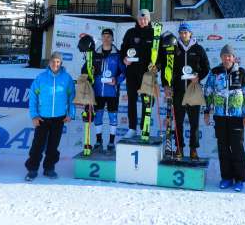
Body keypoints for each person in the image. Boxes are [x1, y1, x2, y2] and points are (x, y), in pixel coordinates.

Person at [204, 44, 245, 192]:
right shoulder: (215, 72)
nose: (227, 58)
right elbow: (208, 92)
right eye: (224, 56)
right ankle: (226, 177)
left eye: (229, 56)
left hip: (236, 117)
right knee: (223, 148)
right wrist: (207, 111)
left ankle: (239, 179)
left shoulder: (241, 73)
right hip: (220, 116)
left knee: (237, 148)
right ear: (221, 57)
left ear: (234, 58)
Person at [161, 23, 209, 160]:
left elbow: (206, 67)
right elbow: (166, 68)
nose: (183, 35)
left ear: (190, 34)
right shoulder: (174, 48)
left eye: (186, 32)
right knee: (179, 122)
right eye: (181, 32)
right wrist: (166, 85)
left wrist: (198, 77)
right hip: (178, 90)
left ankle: (193, 150)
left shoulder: (198, 49)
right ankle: (179, 148)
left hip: (193, 89)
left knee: (194, 122)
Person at [25, 52, 76, 181]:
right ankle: (32, 169)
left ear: (61, 63)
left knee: (53, 146)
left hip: (59, 118)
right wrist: (34, 115)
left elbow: (72, 98)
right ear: (49, 62)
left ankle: (49, 168)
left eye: (58, 61)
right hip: (42, 118)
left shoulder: (67, 78)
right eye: (53, 61)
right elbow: (33, 98)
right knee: (38, 145)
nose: (55, 64)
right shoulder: (41, 78)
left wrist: (71, 114)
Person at [82, 28, 126, 152]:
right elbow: (85, 69)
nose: (106, 38)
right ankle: (98, 140)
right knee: (98, 116)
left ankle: (111, 142)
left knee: (113, 116)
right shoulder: (94, 54)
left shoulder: (118, 54)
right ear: (101, 38)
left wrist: (116, 80)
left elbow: (124, 72)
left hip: (112, 91)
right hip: (97, 91)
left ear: (112, 38)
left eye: (108, 36)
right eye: (104, 36)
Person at [120, 9, 157, 138]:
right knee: (131, 100)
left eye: (145, 19)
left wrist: (157, 66)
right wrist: (124, 59)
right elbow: (122, 50)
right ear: (137, 19)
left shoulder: (154, 34)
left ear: (149, 19)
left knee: (147, 101)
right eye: (140, 19)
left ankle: (144, 128)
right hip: (132, 73)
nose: (142, 21)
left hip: (147, 74)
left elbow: (160, 55)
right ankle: (132, 128)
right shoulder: (130, 33)